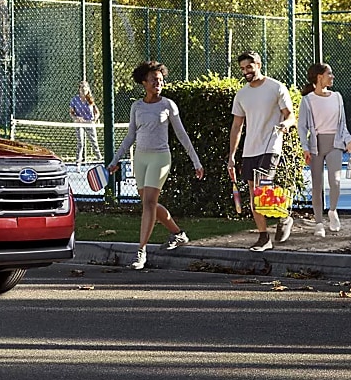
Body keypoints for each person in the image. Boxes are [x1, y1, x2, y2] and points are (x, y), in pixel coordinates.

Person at [107, 61, 204, 270]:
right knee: (148, 203)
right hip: (140, 158)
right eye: (153, 80)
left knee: (150, 202)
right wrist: (115, 160)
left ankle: (141, 251)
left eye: (160, 80)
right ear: (144, 82)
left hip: (160, 158)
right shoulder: (137, 106)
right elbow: (130, 136)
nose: (158, 83)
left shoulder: (168, 105)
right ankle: (178, 234)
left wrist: (196, 161)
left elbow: (182, 135)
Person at [227, 51, 295, 252]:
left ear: (258, 64)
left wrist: (285, 125)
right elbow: (237, 126)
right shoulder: (242, 94)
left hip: (271, 146)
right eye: (242, 69)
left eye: (249, 67)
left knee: (262, 188)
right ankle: (265, 236)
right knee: (254, 193)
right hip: (250, 150)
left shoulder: (276, 87)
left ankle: (283, 217)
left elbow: (290, 115)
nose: (245, 71)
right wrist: (232, 156)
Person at [297, 63, 351, 238]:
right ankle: (318, 223)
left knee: (335, 181)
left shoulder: (337, 97)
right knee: (317, 185)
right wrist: (305, 148)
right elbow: (302, 127)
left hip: (335, 144)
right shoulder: (307, 100)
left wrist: (348, 140)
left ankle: (332, 211)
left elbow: (342, 124)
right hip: (315, 147)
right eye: (329, 73)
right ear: (319, 77)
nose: (332, 76)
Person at [69, 79, 101, 163]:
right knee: (80, 143)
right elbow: (71, 113)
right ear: (79, 89)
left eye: (85, 87)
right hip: (79, 124)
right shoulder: (74, 100)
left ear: (88, 89)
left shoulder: (90, 99)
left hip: (89, 123)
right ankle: (78, 161)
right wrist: (76, 118)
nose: (84, 89)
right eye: (82, 87)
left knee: (94, 142)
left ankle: (100, 159)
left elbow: (97, 112)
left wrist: (95, 119)